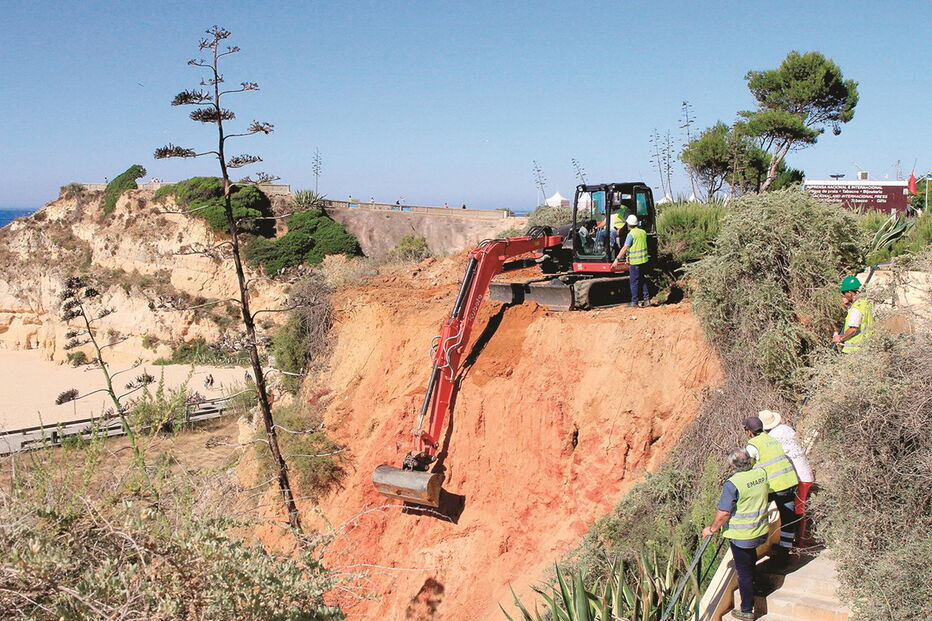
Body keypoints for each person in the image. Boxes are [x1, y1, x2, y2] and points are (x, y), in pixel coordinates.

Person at [702, 448, 769, 621]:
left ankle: (746, 609)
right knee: (751, 560)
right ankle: (758, 588)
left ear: (732, 465)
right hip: (760, 529)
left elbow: (724, 513)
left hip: (742, 534)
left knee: (743, 572)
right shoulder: (761, 473)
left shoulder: (733, 483)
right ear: (749, 460)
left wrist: (712, 529)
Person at [743, 416, 799, 566]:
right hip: (790, 482)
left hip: (774, 487)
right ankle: (784, 552)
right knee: (788, 519)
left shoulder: (753, 445)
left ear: (749, 432)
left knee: (756, 516)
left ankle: (752, 552)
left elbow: (748, 466)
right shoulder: (772, 439)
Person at [758, 410, 813, 544]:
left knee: (798, 511)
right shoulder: (787, 429)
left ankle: (799, 543)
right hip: (805, 471)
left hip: (798, 476)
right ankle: (796, 541)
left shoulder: (773, 438)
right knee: (799, 509)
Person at [610, 214, 650, 307]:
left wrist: (617, 259)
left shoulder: (631, 234)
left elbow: (625, 248)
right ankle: (647, 300)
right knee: (643, 280)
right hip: (644, 260)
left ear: (628, 224)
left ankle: (634, 302)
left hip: (635, 263)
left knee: (633, 282)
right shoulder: (643, 232)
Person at [832, 276, 874, 353]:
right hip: (866, 347)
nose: (843, 295)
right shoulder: (864, 303)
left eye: (844, 292)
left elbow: (853, 329)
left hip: (854, 350)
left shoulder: (856, 308)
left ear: (850, 293)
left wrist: (840, 338)